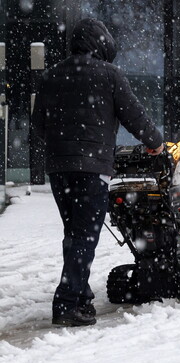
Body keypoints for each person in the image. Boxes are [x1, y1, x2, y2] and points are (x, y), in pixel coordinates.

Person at [31, 18, 164, 327]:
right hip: (91, 169)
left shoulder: (52, 76)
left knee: (74, 233)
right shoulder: (110, 74)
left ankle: (81, 298)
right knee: (85, 235)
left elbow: (39, 125)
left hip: (60, 169)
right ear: (102, 44)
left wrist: (63, 147)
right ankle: (66, 304)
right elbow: (133, 114)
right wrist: (155, 142)